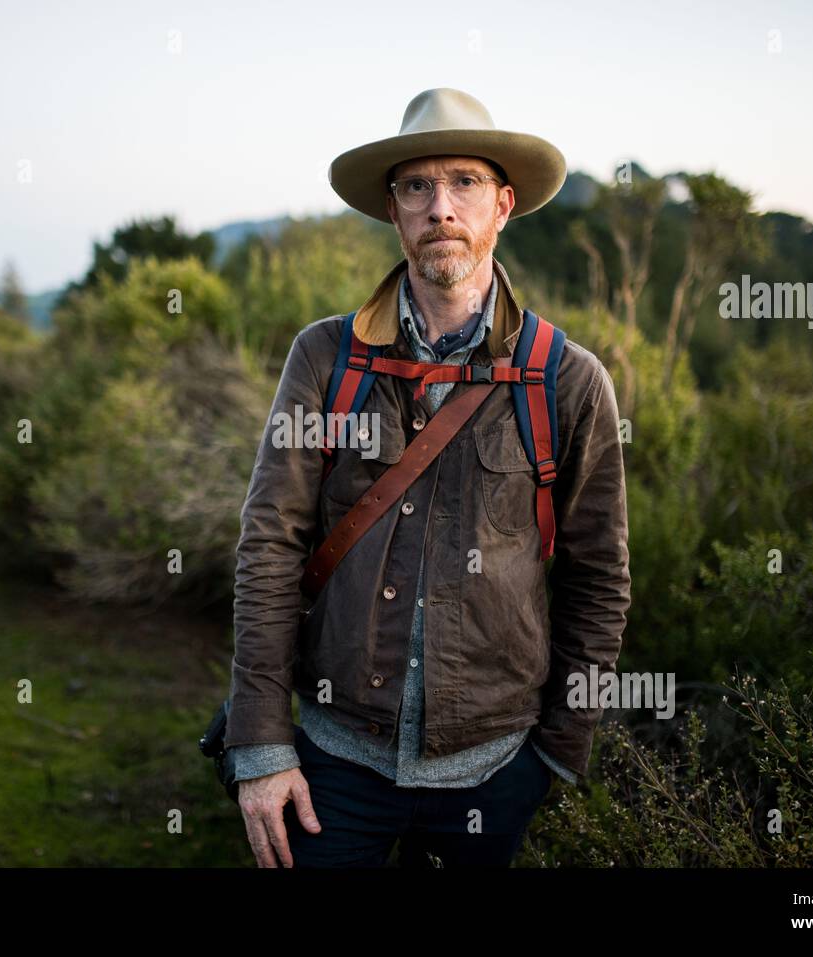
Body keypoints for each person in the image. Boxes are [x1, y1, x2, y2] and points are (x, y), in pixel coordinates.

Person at [224, 88, 631, 867]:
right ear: (394, 209)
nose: (440, 206)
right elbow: (268, 547)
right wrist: (263, 746)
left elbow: (600, 579)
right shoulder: (324, 359)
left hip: (494, 772)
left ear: (503, 205)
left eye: (464, 183)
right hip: (332, 761)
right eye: (417, 186)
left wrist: (556, 754)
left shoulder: (568, 381)